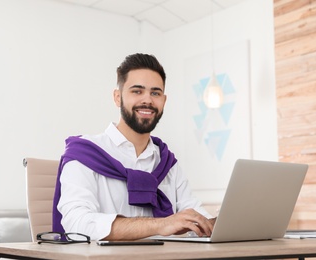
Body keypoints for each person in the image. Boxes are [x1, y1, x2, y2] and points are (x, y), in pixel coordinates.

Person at [52, 53, 216, 241]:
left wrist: (217, 222)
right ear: (117, 97)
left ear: (164, 101)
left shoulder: (167, 163)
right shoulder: (83, 154)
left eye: (155, 93)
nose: (147, 100)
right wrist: (163, 224)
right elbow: (77, 223)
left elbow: (193, 212)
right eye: (137, 91)